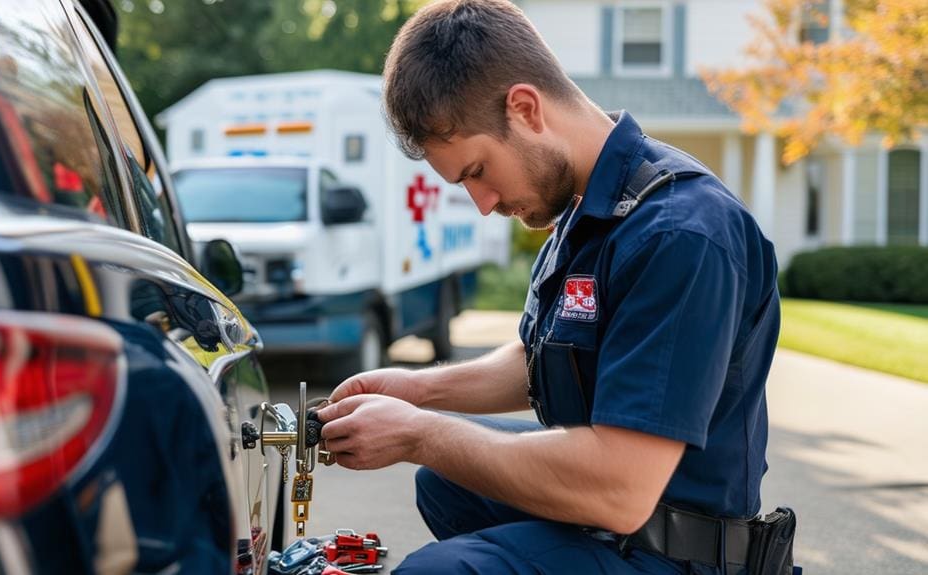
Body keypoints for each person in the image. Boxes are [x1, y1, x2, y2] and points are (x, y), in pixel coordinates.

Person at [316, 1, 781, 573]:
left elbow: (621, 487)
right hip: (623, 523)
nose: (482, 205)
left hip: (676, 547)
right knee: (444, 482)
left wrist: (420, 434)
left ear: (525, 108)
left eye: (478, 172)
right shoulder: (588, 208)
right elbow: (544, 358)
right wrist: (417, 394)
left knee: (433, 568)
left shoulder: (679, 232)